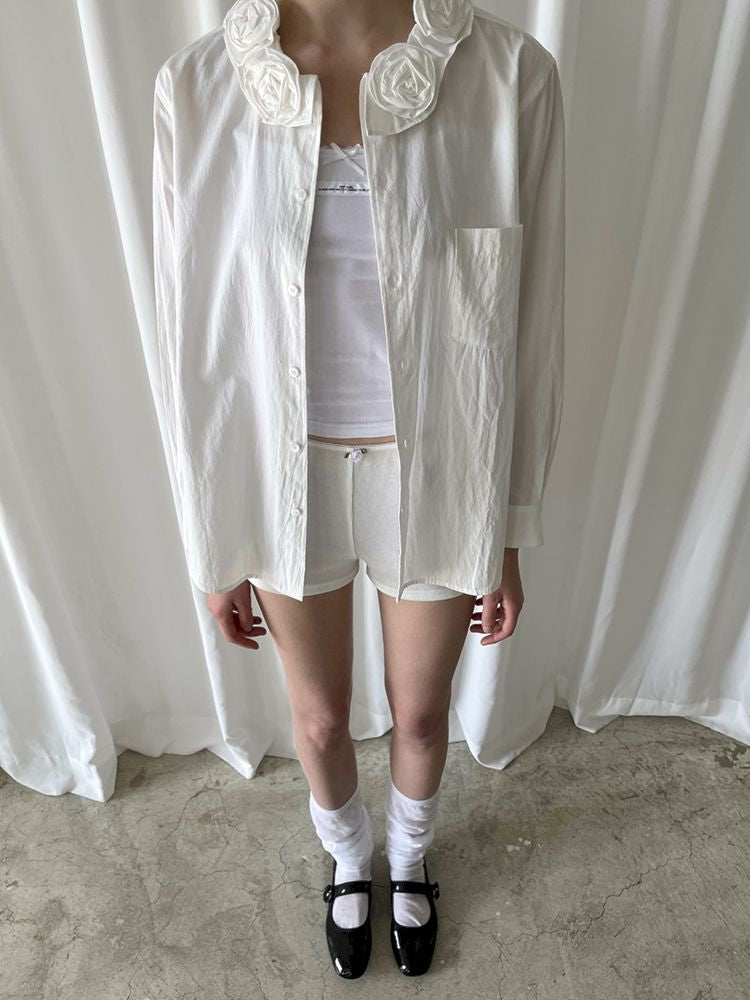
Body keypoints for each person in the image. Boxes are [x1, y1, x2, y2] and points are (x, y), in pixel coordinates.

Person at [152, 0, 565, 981]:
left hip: (443, 468)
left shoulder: (508, 75)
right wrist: (217, 537)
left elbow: (531, 321)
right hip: (282, 471)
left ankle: (410, 856)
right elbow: (191, 332)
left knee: (421, 714)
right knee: (320, 719)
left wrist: (507, 523)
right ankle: (348, 859)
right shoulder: (201, 89)